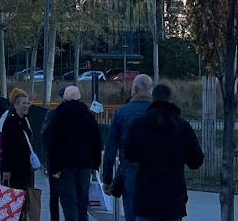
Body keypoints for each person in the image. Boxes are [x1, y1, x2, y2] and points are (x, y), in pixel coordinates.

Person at [123, 84, 203, 221]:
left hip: (146, 197)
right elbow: (196, 161)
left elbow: (129, 155)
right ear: (170, 100)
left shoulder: (139, 125)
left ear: (152, 100)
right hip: (173, 198)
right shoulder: (182, 126)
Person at [44, 85, 102, 221]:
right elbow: (97, 141)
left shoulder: (58, 116)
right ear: (79, 98)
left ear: (64, 98)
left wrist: (53, 167)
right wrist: (96, 163)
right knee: (82, 202)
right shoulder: (88, 116)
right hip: (85, 164)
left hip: (65, 166)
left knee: (69, 202)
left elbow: (52, 143)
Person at [101, 74, 152, 221]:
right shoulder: (157, 112)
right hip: (154, 171)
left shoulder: (122, 113)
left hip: (129, 170)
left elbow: (110, 148)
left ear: (135, 89)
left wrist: (107, 179)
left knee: (131, 213)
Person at [0, 89, 41, 221]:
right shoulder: (10, 122)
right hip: (14, 169)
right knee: (15, 199)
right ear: (16, 105)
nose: (27, 105)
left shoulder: (26, 121)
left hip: (26, 168)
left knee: (25, 199)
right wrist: (6, 169)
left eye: (28, 102)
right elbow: (6, 147)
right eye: (24, 103)